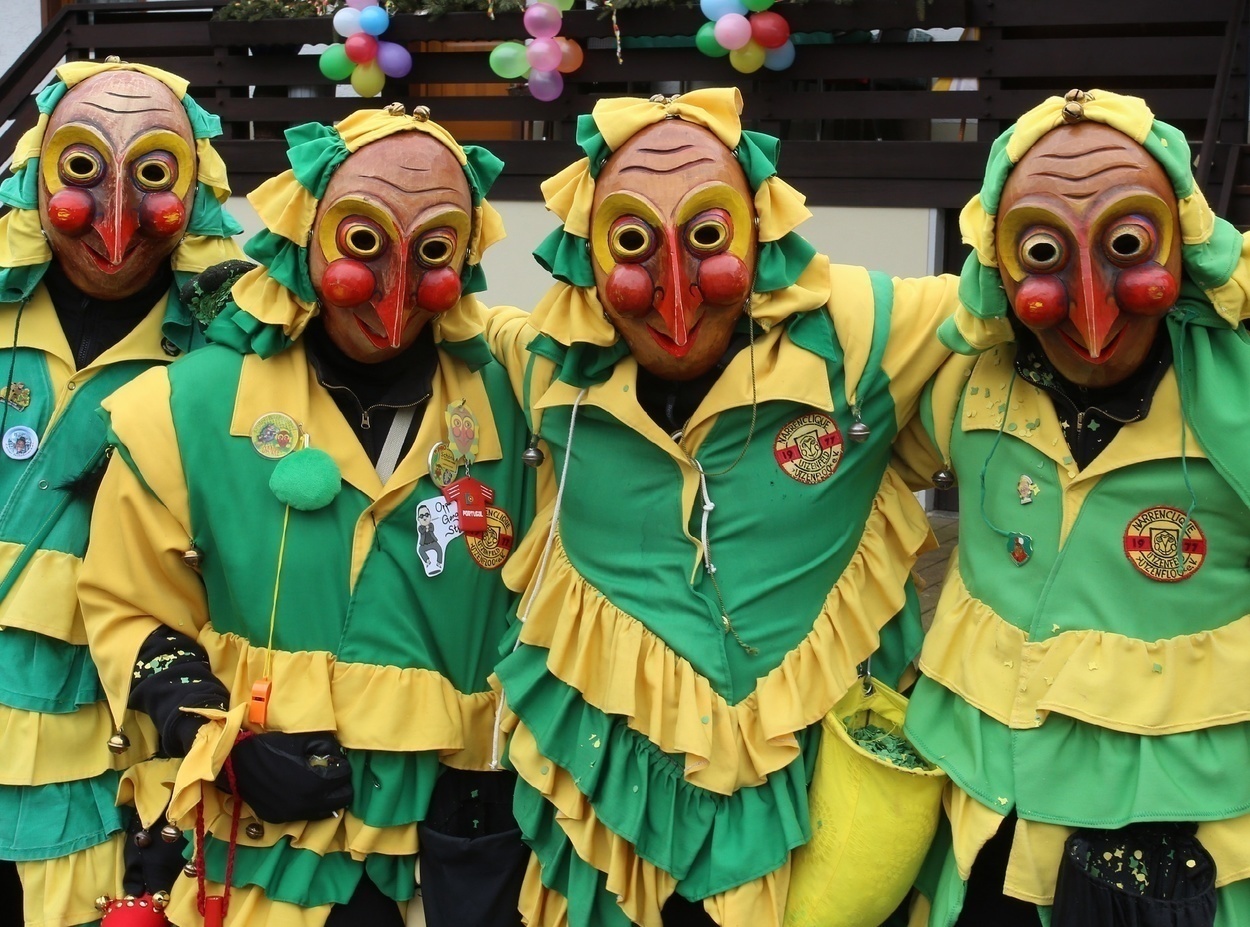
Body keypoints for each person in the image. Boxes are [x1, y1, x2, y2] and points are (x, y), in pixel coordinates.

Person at [481, 88, 962, 926]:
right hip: (617, 796)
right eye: (632, 241)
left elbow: (1005, 295)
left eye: (708, 236)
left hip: (814, 786)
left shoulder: (865, 335)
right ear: (586, 251)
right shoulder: (544, 368)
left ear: (758, 231)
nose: (676, 291)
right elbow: (438, 322)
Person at [80, 105, 534, 926]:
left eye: (433, 250)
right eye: (363, 241)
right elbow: (128, 605)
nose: (394, 289)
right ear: (307, 234)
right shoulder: (186, 408)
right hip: (262, 856)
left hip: (454, 859)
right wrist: (224, 744)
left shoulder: (520, 403)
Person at [896, 90, 1250, 926]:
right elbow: (848, 470)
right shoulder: (962, 378)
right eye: (1044, 251)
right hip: (983, 808)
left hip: (1178, 829)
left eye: (1128, 243)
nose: (1091, 307)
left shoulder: (1236, 390)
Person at [0, 58, 242, 925]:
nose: (115, 213)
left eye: (152, 174)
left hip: (110, 745)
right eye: (82, 167)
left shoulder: (228, 352)